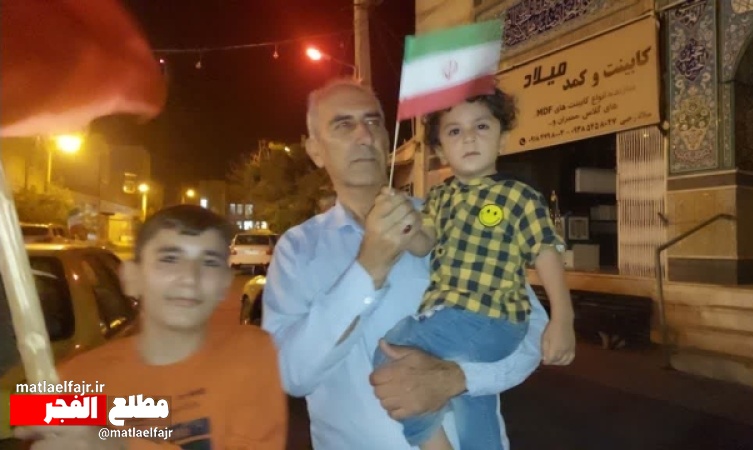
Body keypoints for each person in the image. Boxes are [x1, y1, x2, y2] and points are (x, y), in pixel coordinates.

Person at [262, 78, 571, 450]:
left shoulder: (454, 216)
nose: (364, 135)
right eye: (343, 125)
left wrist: (458, 379)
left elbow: (532, 330)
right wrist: (369, 268)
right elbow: (291, 375)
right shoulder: (297, 251)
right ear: (315, 150)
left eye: (373, 121)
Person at [373, 87, 575, 450]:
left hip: (487, 317)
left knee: (389, 353)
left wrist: (563, 319)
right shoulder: (440, 197)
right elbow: (423, 245)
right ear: (440, 150)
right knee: (474, 403)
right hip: (464, 322)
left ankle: (433, 445)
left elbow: (546, 250)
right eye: (454, 131)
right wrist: (404, 223)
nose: (468, 137)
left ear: (502, 137)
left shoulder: (518, 194)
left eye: (481, 126)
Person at [14, 205, 287, 450]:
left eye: (209, 262)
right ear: (131, 278)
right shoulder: (69, 381)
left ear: (224, 283)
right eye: (169, 259)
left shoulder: (250, 355)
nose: (189, 278)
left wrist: (121, 446)